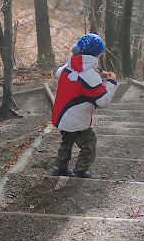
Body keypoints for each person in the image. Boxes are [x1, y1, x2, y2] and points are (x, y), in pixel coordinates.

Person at [51, 33, 118, 179]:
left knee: (66, 142)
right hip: (78, 119)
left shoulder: (68, 67)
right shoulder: (89, 74)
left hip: (63, 116)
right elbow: (102, 101)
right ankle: (81, 170)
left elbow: (59, 73)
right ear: (98, 54)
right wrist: (111, 83)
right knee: (89, 144)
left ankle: (60, 167)